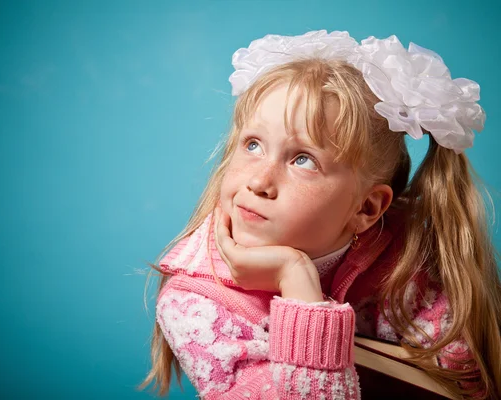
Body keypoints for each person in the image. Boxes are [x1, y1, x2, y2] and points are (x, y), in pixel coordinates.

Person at [139, 31, 501, 399]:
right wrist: (296, 280)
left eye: (302, 160)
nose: (259, 181)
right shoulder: (195, 301)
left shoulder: (403, 257)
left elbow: (466, 381)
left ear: (367, 208)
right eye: (253, 145)